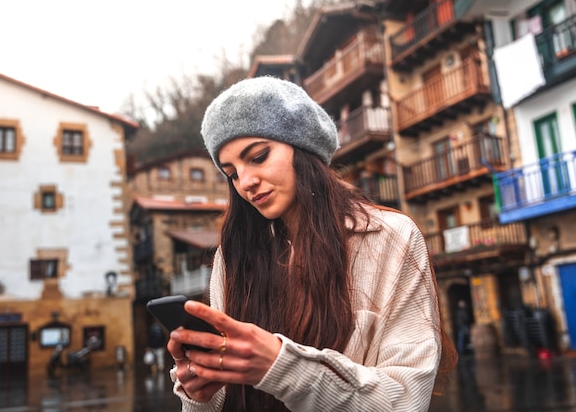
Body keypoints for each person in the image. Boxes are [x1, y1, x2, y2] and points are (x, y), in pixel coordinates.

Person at [167, 76, 456, 412]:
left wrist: (280, 367)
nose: (245, 182)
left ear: (304, 148)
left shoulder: (392, 237)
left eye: (258, 156)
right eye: (231, 172)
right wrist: (201, 393)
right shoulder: (233, 259)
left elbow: (406, 400)